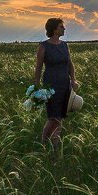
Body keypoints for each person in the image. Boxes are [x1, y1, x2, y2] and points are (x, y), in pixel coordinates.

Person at [34, 17, 78, 149]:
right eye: (61, 26)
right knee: (54, 117)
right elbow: (38, 67)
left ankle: (55, 146)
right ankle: (43, 143)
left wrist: (73, 80)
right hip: (51, 86)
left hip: (65, 86)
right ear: (54, 29)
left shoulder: (64, 45)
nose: (64, 28)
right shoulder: (44, 46)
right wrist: (36, 86)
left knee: (60, 116)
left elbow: (70, 65)